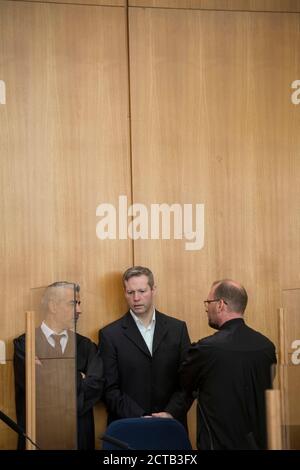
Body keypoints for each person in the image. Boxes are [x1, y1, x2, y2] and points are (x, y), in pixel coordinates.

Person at [180, 279, 277, 450]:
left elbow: (183, 384)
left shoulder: (206, 349)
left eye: (208, 302)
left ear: (220, 304)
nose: (206, 307)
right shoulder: (267, 347)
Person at [14, 281, 104, 450]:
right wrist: (78, 378)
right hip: (38, 437)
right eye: (73, 303)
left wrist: (46, 371)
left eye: (79, 303)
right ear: (53, 306)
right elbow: (35, 389)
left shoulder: (86, 346)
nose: (79, 310)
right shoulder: (25, 344)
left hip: (79, 438)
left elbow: (95, 386)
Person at [98, 266, 191, 427]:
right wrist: (140, 418)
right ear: (124, 293)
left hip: (170, 427)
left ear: (153, 290)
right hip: (128, 428)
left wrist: (170, 413)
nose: (136, 298)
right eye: (130, 292)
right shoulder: (109, 335)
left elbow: (189, 382)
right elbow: (109, 389)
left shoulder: (178, 329)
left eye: (142, 291)